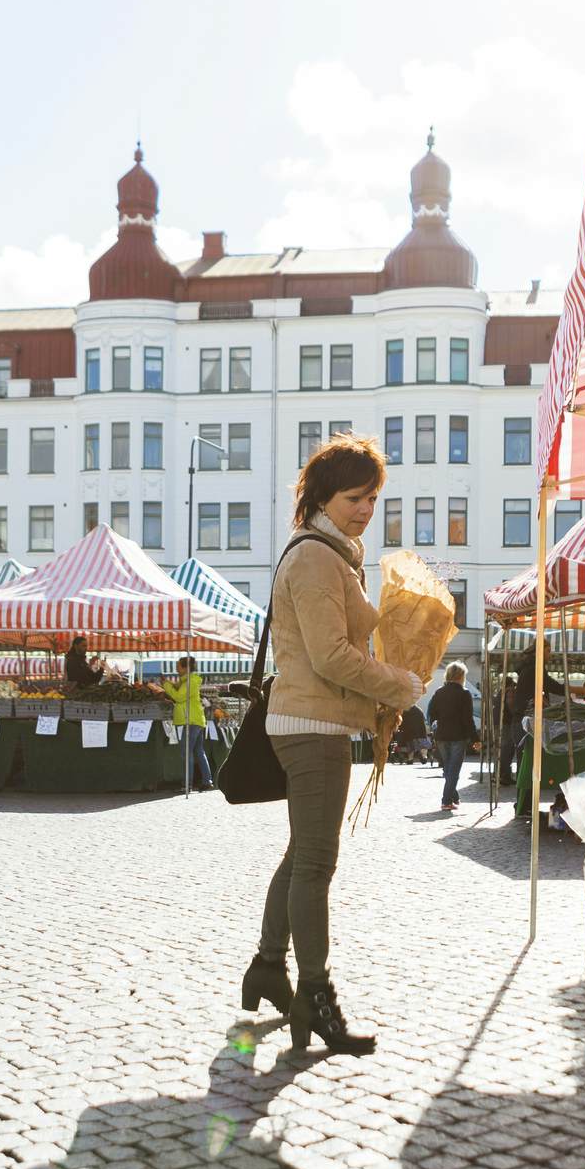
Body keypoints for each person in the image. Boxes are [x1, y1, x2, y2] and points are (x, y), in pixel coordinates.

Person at [244, 433, 425, 1054]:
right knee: (317, 865)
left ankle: (269, 965)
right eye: (354, 497)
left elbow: (347, 639)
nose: (365, 509)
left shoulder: (330, 553)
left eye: (373, 498)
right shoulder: (319, 559)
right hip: (313, 727)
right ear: (324, 494)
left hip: (312, 722)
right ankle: (315, 997)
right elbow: (332, 657)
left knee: (302, 855)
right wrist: (398, 686)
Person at [428, 662, 479, 811]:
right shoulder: (464, 693)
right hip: (458, 736)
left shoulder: (439, 692)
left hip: (442, 735)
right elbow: (468, 719)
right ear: (461, 676)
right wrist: (475, 739)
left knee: (448, 769)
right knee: (453, 770)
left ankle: (454, 796)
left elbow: (432, 714)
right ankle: (446, 801)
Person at [168, 655, 213, 790]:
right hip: (195, 719)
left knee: (186, 752)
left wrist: (166, 686)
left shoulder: (190, 681)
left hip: (191, 719)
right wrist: (172, 685)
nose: (176, 669)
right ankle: (207, 781)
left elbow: (179, 697)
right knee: (199, 751)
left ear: (186, 667)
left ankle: (187, 784)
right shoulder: (188, 680)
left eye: (178, 667)